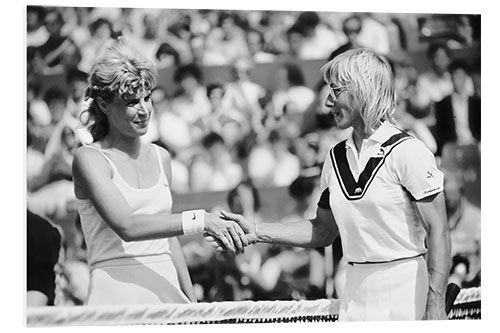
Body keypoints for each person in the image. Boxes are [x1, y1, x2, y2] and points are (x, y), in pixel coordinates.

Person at [209, 48, 451, 321]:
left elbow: (439, 231)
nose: (327, 102)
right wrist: (256, 230)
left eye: (336, 91)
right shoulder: (335, 157)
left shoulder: (409, 151)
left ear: (362, 90)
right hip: (354, 294)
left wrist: (435, 304)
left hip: (408, 294)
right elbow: (323, 231)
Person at [72, 38, 247, 305]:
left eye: (147, 98)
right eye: (131, 102)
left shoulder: (161, 156)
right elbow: (128, 226)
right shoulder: (89, 159)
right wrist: (202, 219)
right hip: (116, 296)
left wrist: (192, 304)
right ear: (105, 105)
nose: (144, 110)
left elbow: (169, 240)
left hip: (167, 295)